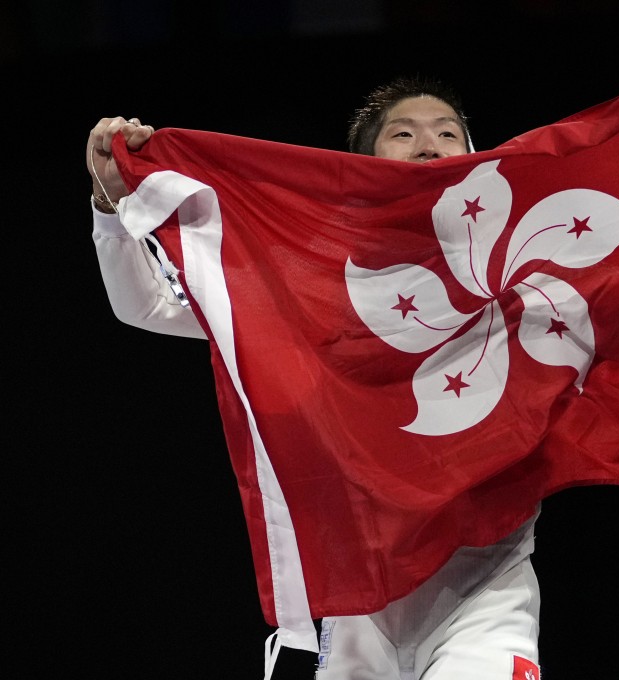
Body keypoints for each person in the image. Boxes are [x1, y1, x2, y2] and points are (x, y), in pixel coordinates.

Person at [87, 77, 542, 680]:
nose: (428, 144)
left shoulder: (528, 272)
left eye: (448, 133)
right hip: (353, 597)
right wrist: (112, 202)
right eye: (403, 134)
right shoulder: (308, 279)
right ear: (363, 165)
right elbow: (144, 306)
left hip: (485, 588)